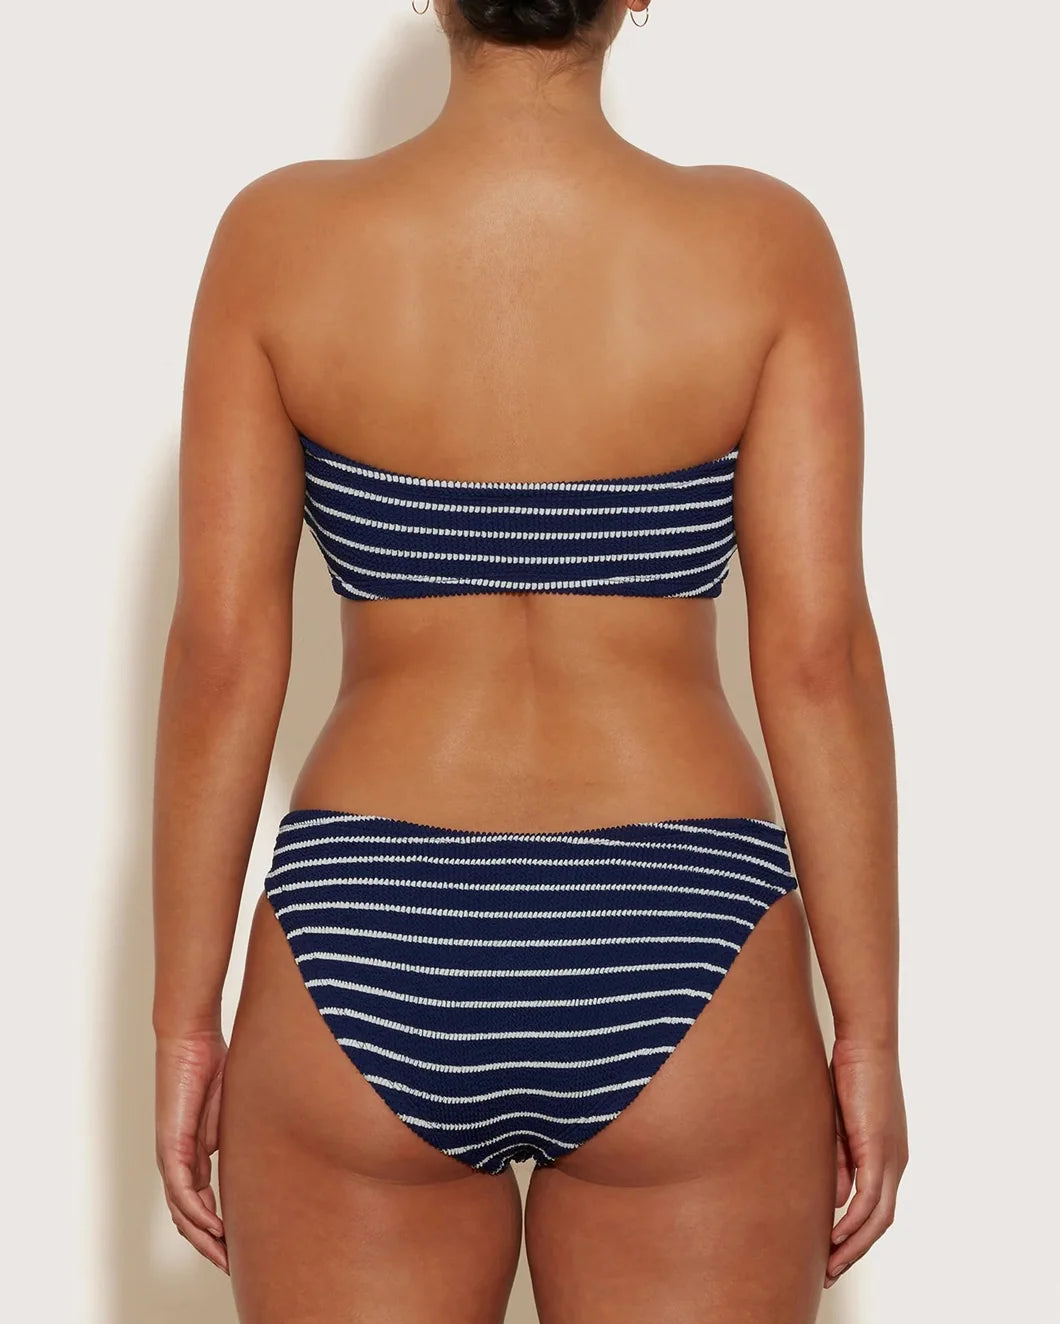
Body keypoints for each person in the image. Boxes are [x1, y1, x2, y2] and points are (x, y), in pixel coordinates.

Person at [151, 1, 908, 1319]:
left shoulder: (281, 240)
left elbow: (224, 658)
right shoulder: (762, 244)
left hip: (370, 929)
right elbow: (815, 663)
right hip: (682, 925)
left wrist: (182, 1026)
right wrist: (871, 1034)